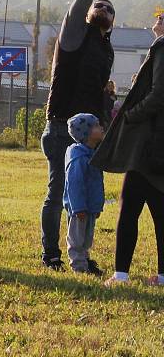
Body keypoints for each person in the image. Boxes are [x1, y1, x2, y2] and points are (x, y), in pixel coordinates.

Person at [40, 0, 114, 272]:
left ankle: (80, 255)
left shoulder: (107, 49)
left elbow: (102, 93)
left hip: (91, 134)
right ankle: (51, 255)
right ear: (87, 14)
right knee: (58, 193)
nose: (104, 9)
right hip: (59, 128)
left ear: (112, 24)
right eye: (100, 6)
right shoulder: (74, 34)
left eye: (110, 9)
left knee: (87, 199)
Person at [93, 14, 164, 286]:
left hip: (147, 142)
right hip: (157, 143)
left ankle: (120, 275)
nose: (157, 17)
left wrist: (131, 115)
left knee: (129, 207)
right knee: (159, 210)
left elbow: (159, 94)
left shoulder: (162, 47)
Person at [63, 114, 105, 275]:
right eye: (96, 126)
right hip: (79, 207)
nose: (101, 128)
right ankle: (78, 266)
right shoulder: (79, 157)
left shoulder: (91, 153)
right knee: (77, 237)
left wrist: (96, 206)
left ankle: (86, 261)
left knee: (87, 237)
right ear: (85, 134)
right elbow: (74, 184)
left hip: (90, 205)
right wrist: (78, 206)